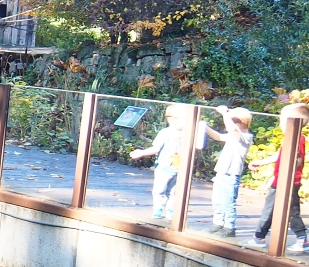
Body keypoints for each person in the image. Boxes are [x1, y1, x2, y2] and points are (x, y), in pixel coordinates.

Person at [129, 104, 207, 221]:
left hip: (181, 168)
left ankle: (171, 209)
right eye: (186, 119)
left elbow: (199, 146)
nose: (189, 122)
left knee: (175, 191)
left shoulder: (188, 133)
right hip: (164, 167)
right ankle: (158, 207)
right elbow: (156, 148)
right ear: (175, 120)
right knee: (159, 189)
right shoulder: (165, 133)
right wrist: (142, 153)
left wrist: (201, 129)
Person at [250, 105, 309, 253]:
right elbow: (280, 156)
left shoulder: (298, 139)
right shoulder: (291, 139)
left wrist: (284, 177)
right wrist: (261, 162)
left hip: (287, 183)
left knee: (289, 211)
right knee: (272, 209)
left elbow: (297, 160)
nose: (280, 125)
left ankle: (302, 238)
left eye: (283, 122)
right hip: (281, 182)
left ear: (293, 123)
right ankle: (259, 236)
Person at [203, 106, 253, 237]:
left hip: (231, 175)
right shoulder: (233, 135)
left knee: (228, 202)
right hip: (221, 173)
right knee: (218, 201)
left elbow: (231, 129)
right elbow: (218, 136)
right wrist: (205, 127)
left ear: (241, 122)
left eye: (233, 120)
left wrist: (224, 113)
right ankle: (218, 223)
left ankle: (229, 227)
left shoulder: (245, 137)